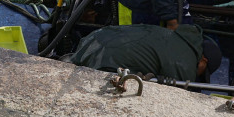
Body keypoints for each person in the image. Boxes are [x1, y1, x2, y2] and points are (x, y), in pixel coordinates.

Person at [70, 24, 222, 84]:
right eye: (203, 71)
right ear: (203, 60)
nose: (198, 74)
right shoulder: (186, 63)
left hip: (92, 39)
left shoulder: (176, 37)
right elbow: (177, 95)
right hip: (105, 58)